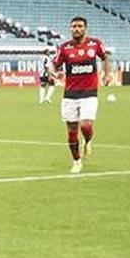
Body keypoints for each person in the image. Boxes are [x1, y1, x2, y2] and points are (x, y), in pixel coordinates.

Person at [52, 16, 112, 174]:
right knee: (72, 130)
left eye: (79, 26)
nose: (76, 29)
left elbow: (105, 58)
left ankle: (88, 139)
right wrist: (55, 73)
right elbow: (53, 64)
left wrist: (107, 75)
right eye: (73, 26)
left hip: (89, 93)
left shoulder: (95, 44)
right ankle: (76, 161)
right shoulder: (64, 48)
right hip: (70, 95)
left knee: (85, 125)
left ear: (85, 28)